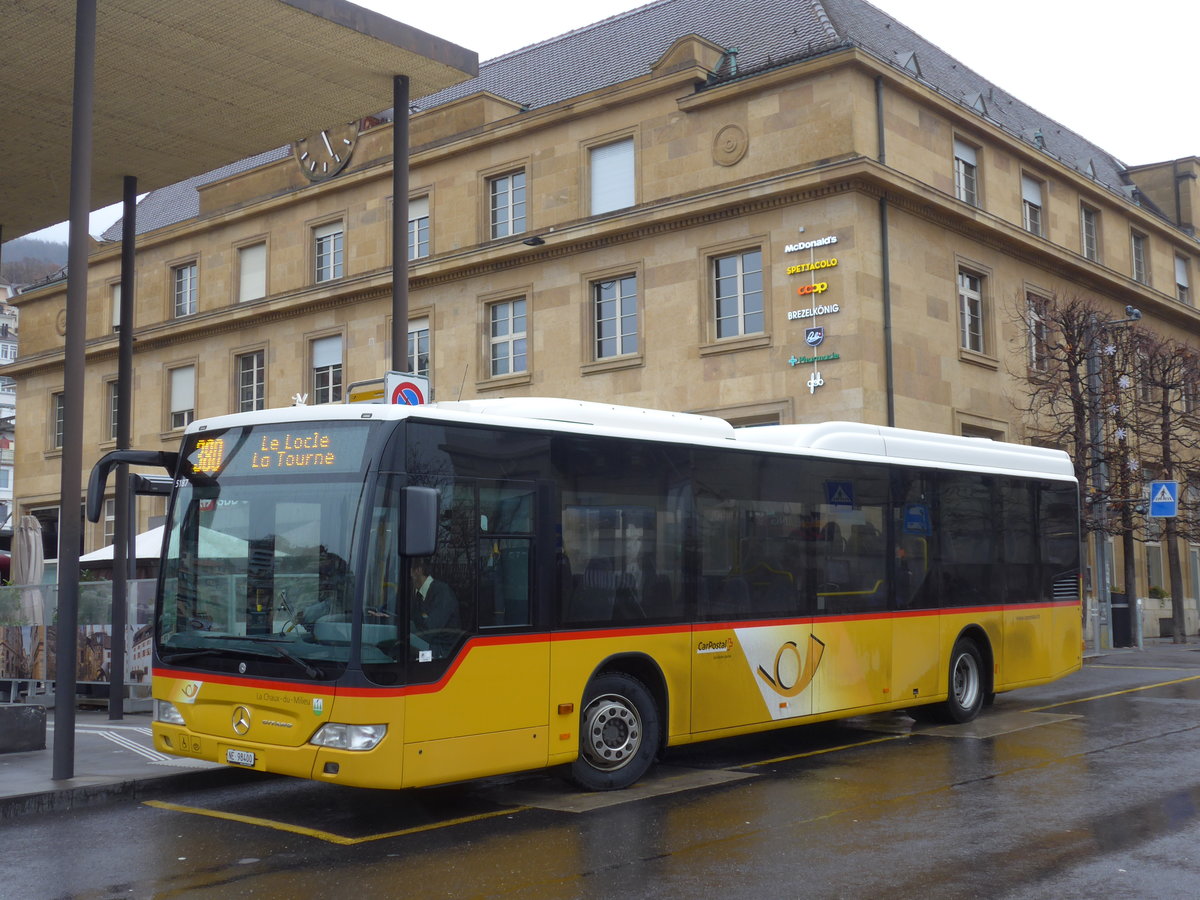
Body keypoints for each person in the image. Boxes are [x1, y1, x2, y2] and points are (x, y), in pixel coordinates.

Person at [409, 558, 460, 657]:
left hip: (442, 652)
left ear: (418, 571)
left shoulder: (442, 593)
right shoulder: (415, 592)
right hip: (426, 645)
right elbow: (396, 608)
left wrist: (401, 632)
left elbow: (428, 631)